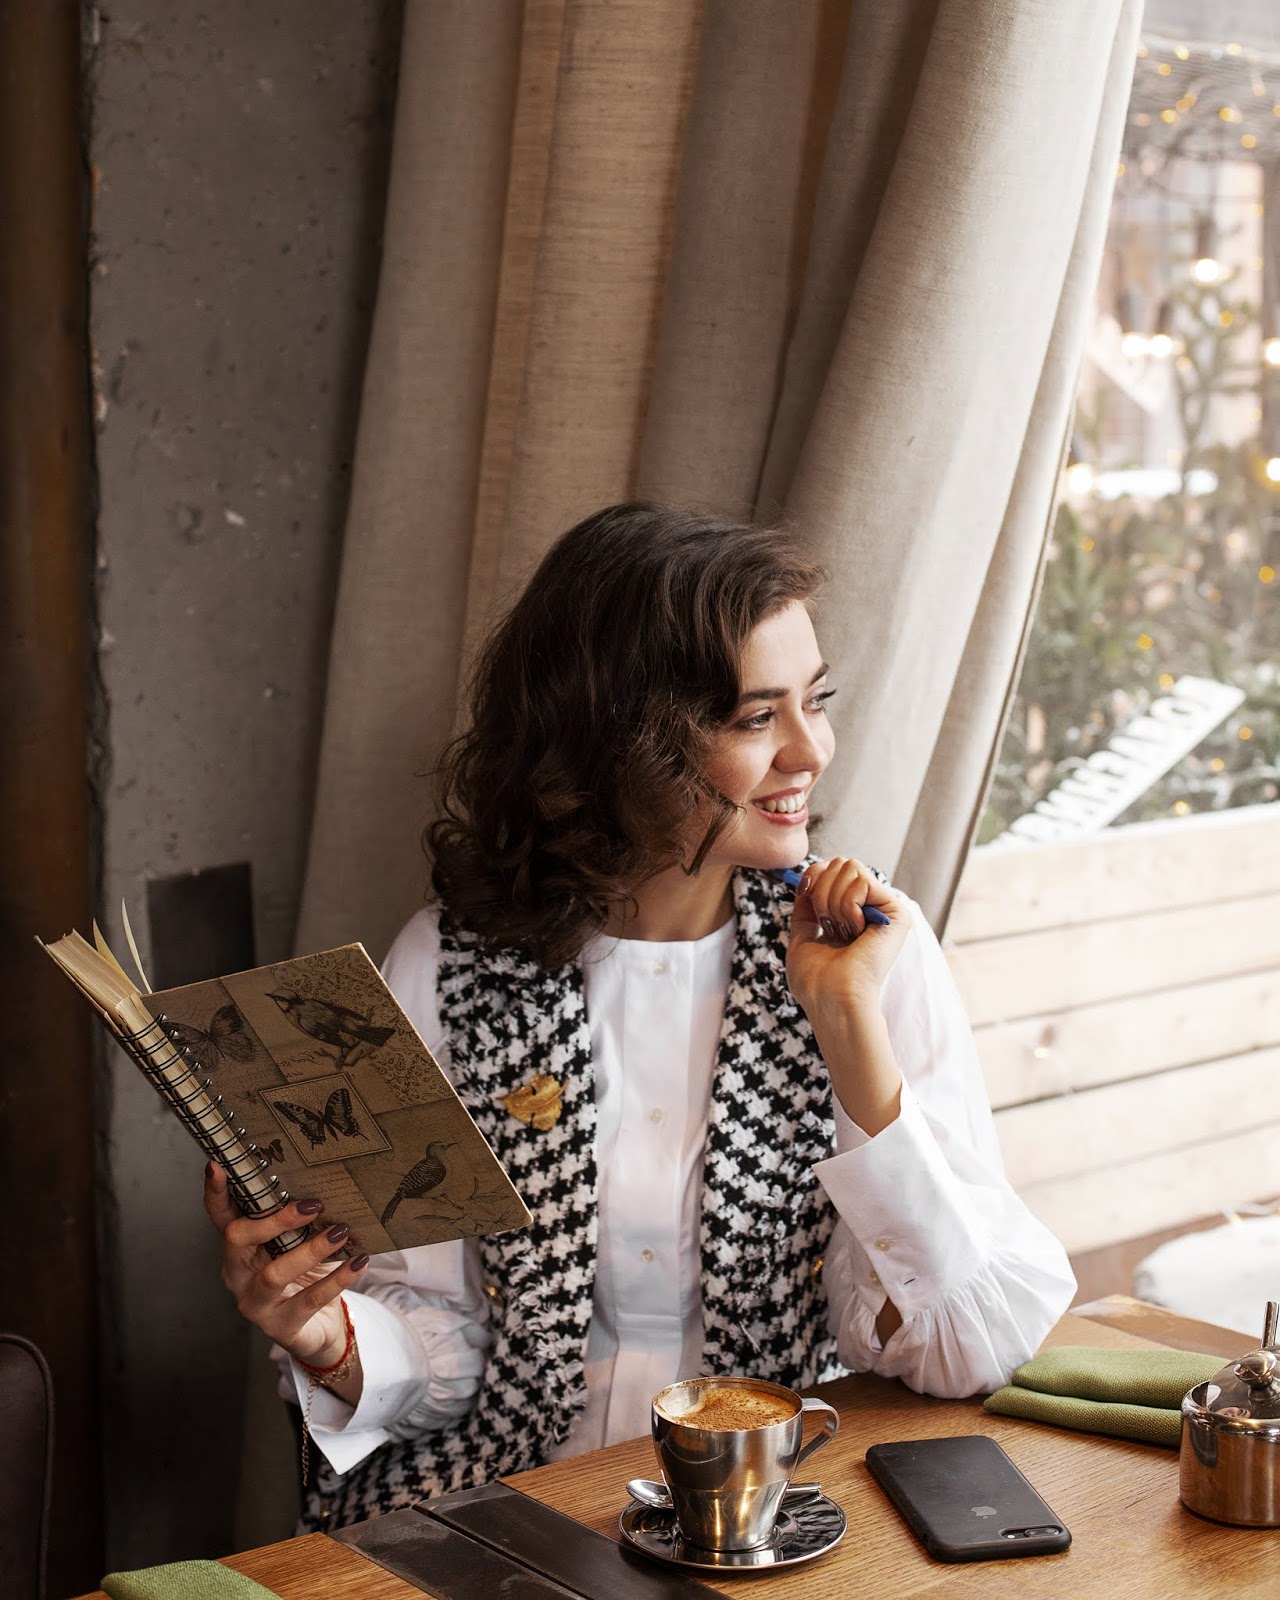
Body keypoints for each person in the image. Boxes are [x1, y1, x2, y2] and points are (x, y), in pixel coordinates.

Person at [205, 502, 1075, 1529]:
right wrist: (319, 1332)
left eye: (814, 701)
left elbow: (968, 1350)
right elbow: (437, 1337)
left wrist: (849, 1031)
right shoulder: (445, 961)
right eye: (754, 718)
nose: (811, 750)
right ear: (621, 742)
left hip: (776, 1515)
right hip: (511, 1513)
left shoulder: (870, 950)